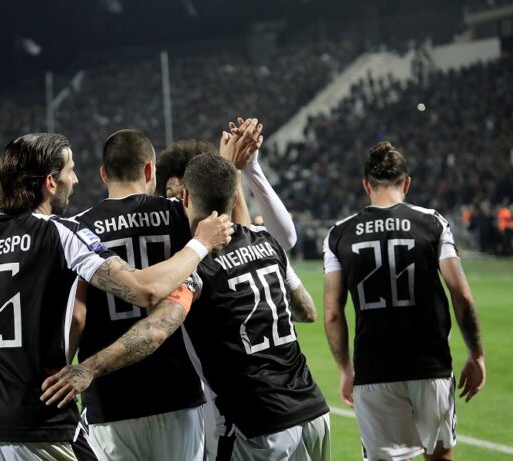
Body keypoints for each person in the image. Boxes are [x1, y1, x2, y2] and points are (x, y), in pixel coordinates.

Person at [0, 132, 233, 461]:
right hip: (41, 427)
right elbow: (145, 291)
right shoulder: (61, 232)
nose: (75, 179)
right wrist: (200, 244)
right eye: (70, 170)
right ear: (51, 182)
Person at [42, 152, 330, 461]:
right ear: (235, 198)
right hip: (313, 411)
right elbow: (307, 312)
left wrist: (88, 368)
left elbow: (156, 330)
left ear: (186, 197)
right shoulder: (267, 242)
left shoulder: (197, 271)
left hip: (256, 423)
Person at [323, 141, 486, 461]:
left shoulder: (339, 234)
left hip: (373, 369)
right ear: (407, 184)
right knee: (440, 457)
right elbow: (462, 294)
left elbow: (332, 313)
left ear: (366, 185)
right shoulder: (432, 223)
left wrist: (345, 369)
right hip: (430, 366)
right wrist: (476, 353)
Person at [64, 129, 209, 461]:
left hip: (111, 400)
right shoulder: (178, 213)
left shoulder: (78, 229)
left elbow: (75, 315)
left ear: (103, 174)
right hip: (176, 393)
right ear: (149, 170)